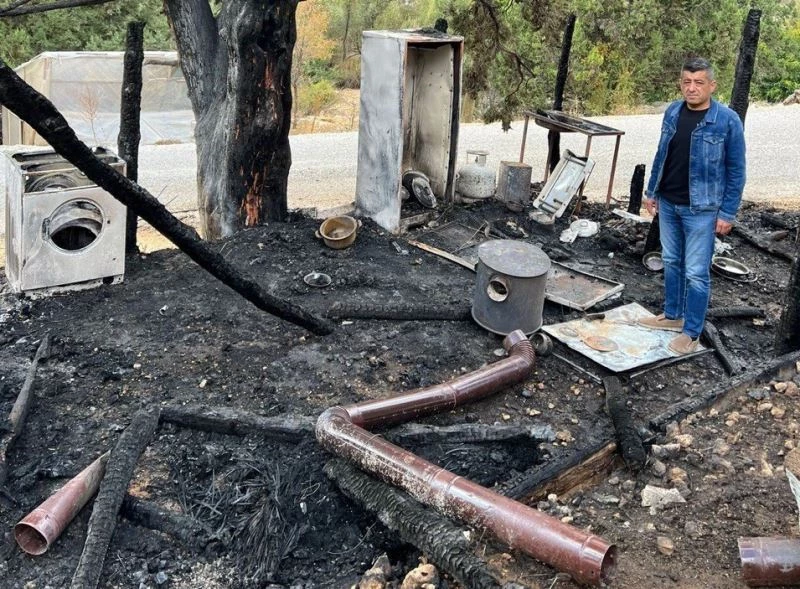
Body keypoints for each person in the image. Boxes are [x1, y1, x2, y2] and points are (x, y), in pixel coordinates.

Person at [639, 57, 746, 354]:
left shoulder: (727, 120)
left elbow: (736, 170)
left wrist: (728, 212)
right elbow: (662, 154)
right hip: (669, 203)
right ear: (681, 84)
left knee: (697, 272)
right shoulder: (673, 111)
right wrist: (651, 191)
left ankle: (692, 332)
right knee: (672, 261)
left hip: (702, 209)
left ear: (712, 85)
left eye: (699, 82)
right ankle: (673, 315)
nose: (692, 88)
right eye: (687, 81)